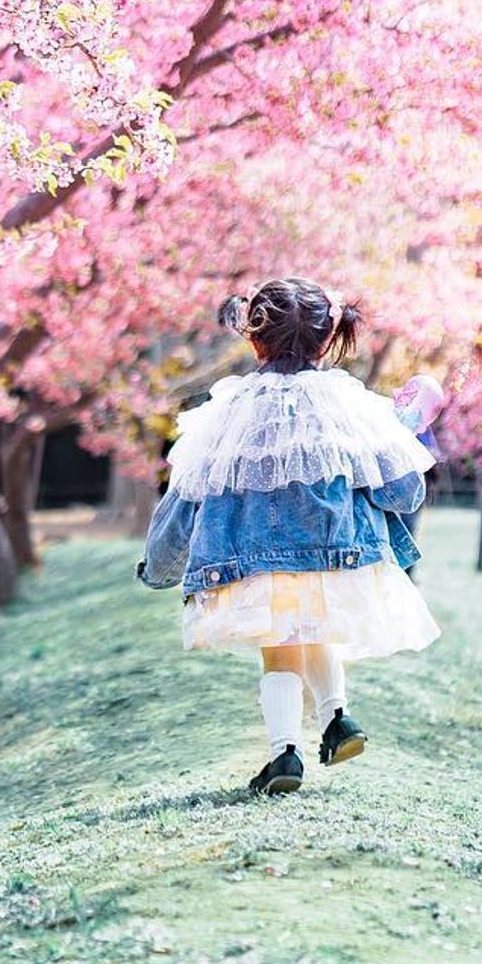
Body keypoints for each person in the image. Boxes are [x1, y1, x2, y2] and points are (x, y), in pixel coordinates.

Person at [138, 279, 441, 795]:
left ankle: (284, 754)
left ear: (254, 339)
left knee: (281, 649)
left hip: (253, 562)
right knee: (314, 630)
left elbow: (184, 497)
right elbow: (403, 494)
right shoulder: (352, 406)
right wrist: (405, 434)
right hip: (336, 558)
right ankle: (337, 717)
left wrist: (158, 565)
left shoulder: (226, 412)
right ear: (327, 340)